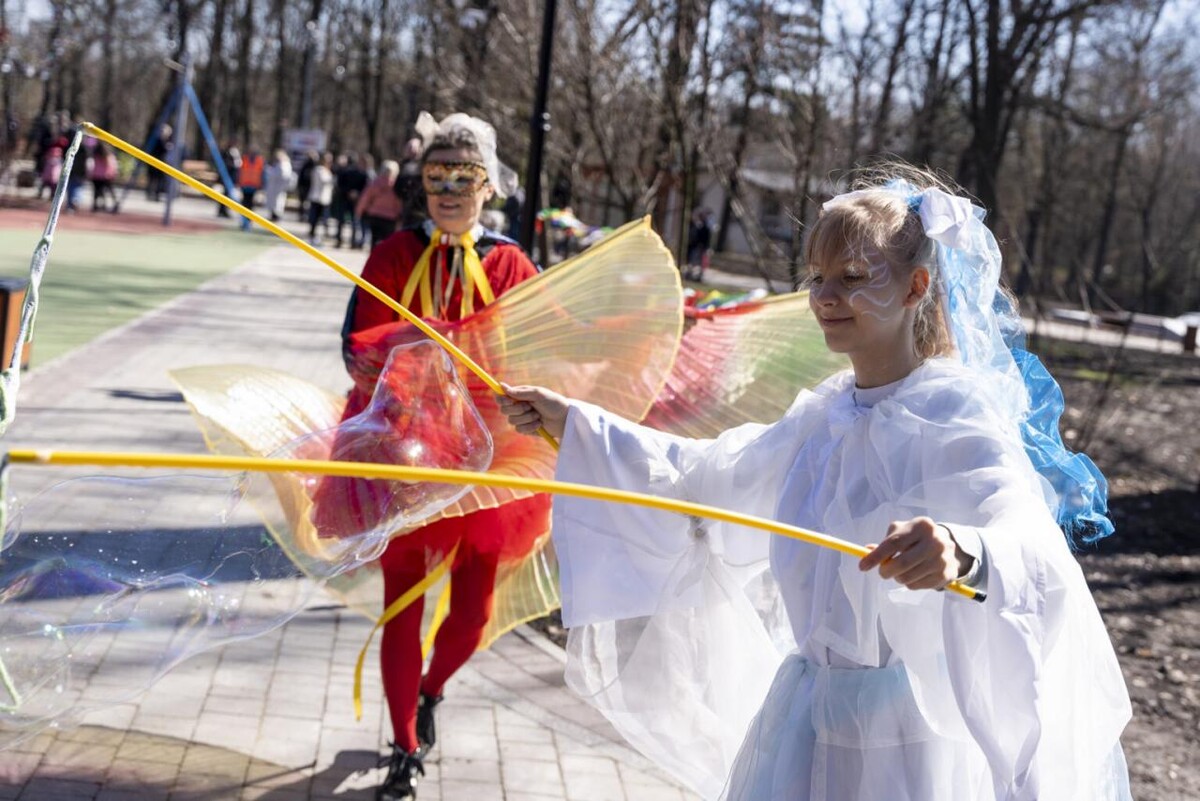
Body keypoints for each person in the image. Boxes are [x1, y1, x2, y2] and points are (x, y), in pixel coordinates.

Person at [498, 167, 1132, 801]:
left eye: (852, 278)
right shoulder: (824, 416)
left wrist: (964, 552)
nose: (826, 297)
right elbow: (707, 481)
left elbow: (1026, 533)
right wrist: (578, 425)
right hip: (805, 731)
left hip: (909, 752)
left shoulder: (952, 413)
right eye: (816, 278)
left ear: (915, 287)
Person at [340, 112, 548, 801]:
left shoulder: (512, 264)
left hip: (488, 461)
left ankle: (430, 691)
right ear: (420, 183)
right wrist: (409, 353)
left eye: (464, 177)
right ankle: (404, 748)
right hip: (404, 453)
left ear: (489, 185)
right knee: (402, 603)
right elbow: (359, 349)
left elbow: (544, 346)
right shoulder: (393, 255)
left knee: (472, 615)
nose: (450, 191)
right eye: (436, 177)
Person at [355, 159, 403, 250]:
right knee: (387, 242)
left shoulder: (375, 183)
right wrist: (400, 216)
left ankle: (374, 256)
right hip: (390, 218)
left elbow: (365, 198)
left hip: (375, 215)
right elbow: (399, 203)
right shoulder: (397, 186)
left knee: (374, 240)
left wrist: (359, 211)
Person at [333, 152, 369, 248]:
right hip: (348, 200)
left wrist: (353, 192)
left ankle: (344, 240)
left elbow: (339, 185)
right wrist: (352, 192)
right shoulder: (355, 173)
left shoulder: (361, 174)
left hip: (351, 200)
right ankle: (347, 241)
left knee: (349, 222)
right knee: (349, 222)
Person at [306, 152, 336, 245]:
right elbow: (324, 181)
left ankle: (322, 235)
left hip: (325, 199)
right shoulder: (319, 169)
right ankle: (313, 235)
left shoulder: (327, 170)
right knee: (315, 218)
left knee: (324, 219)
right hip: (317, 198)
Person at [238, 145, 266, 231]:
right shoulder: (244, 159)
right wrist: (238, 182)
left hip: (254, 186)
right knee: (244, 205)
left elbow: (262, 173)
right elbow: (240, 171)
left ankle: (248, 222)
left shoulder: (260, 161)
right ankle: (243, 222)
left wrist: (262, 185)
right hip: (245, 186)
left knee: (251, 205)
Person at [263, 149, 293, 222]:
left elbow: (284, 176)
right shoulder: (279, 164)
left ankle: (276, 218)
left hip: (279, 188)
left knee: (278, 204)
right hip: (275, 188)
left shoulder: (284, 164)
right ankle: (273, 217)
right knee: (274, 204)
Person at [89, 141, 119, 213]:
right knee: (109, 191)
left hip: (97, 176)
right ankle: (113, 204)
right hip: (106, 176)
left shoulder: (96, 154)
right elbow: (112, 165)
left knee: (97, 192)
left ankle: (96, 206)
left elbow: (93, 164)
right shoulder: (109, 155)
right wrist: (113, 173)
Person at [685, 207, 713, 281]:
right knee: (693, 261)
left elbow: (706, 237)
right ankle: (690, 274)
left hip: (701, 246)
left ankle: (697, 275)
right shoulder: (699, 225)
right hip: (697, 246)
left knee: (700, 263)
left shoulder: (705, 226)